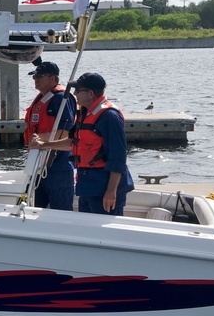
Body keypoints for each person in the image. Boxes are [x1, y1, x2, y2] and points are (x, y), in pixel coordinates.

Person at [30, 72, 134, 215]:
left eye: (78, 90)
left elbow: (118, 158)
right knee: (88, 230)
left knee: (104, 232)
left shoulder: (109, 116)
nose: (75, 93)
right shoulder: (85, 113)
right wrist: (44, 145)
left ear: (91, 94)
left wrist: (111, 191)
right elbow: (72, 142)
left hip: (103, 188)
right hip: (87, 187)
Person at [24, 61, 76, 210]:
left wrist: (39, 138)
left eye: (40, 76)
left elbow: (66, 132)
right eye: (34, 77)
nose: (36, 79)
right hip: (40, 165)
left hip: (58, 166)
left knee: (61, 210)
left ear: (53, 79)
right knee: (34, 207)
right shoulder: (43, 98)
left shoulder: (61, 99)